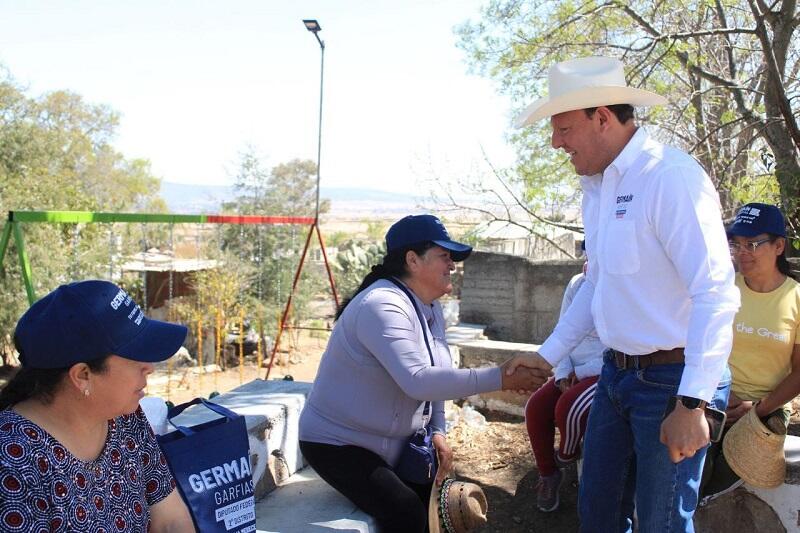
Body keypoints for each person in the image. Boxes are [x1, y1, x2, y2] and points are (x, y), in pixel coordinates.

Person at [510, 56, 740, 531]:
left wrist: (692, 403)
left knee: (661, 523)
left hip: (673, 383)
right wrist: (548, 354)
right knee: (598, 515)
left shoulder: (670, 178)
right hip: (617, 375)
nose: (556, 142)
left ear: (601, 117)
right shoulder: (596, 187)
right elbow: (598, 284)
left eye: (564, 128)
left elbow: (716, 292)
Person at [298, 214, 552, 533]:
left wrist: (438, 429)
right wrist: (501, 377)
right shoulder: (382, 305)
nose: (452, 265)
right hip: (339, 445)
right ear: (412, 260)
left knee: (439, 508)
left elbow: (438, 375)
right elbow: (417, 379)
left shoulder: (429, 307)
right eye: (444, 256)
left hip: (392, 443)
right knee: (406, 512)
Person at [0, 280, 195, 532]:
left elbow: (171, 520)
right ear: (82, 375)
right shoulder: (13, 462)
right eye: (135, 355)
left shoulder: (125, 417)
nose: (150, 367)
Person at [699, 203, 800, 502]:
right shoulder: (722, 289)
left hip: (765, 408)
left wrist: (757, 407)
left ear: (779, 246)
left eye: (753, 244)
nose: (742, 252)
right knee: (691, 469)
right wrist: (715, 393)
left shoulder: (795, 298)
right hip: (713, 397)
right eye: (737, 244)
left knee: (730, 467)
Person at [525, 247, 604, 512]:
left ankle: (566, 456)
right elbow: (563, 332)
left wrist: (578, 374)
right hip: (571, 370)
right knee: (536, 407)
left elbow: (618, 351)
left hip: (601, 373)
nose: (588, 264)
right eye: (586, 256)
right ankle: (549, 473)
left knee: (568, 406)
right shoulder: (577, 283)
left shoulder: (622, 290)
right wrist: (561, 374)